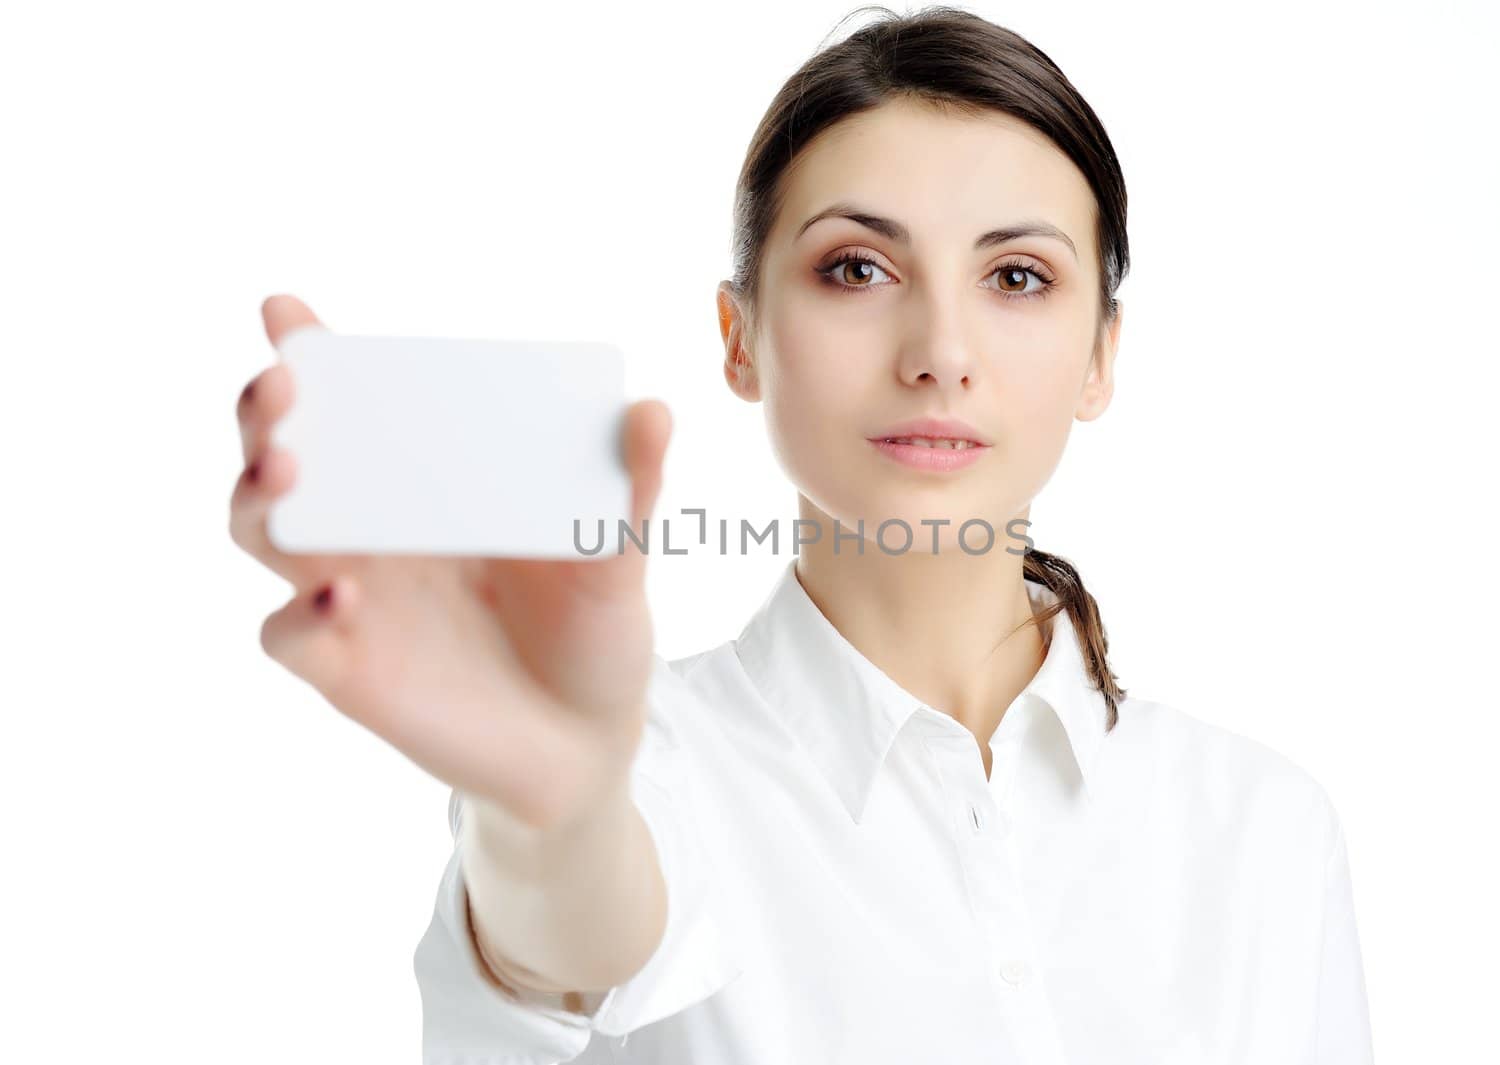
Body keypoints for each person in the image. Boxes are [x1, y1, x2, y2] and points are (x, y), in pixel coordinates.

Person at [230, 7, 1374, 1063]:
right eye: (856, 268)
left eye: (1017, 276)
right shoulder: (653, 764)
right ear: (740, 337)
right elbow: (571, 928)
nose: (939, 348)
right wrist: (561, 805)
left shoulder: (1263, 830)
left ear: (1100, 356)